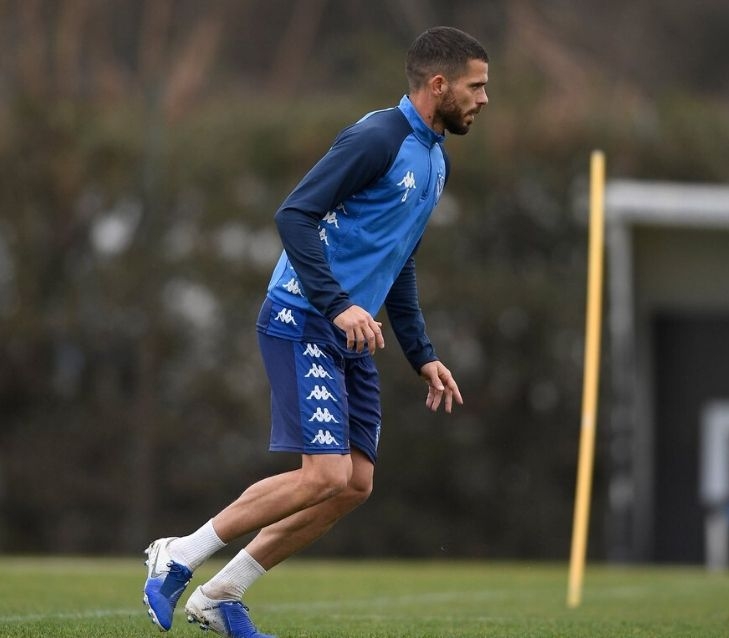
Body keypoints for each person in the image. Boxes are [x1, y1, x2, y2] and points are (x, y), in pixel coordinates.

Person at [142, 26, 489, 638]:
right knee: (324, 474)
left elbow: (399, 259)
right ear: (439, 85)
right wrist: (338, 305)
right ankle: (180, 554)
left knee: (353, 485)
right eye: (476, 86)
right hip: (301, 317)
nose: (484, 99)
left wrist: (423, 355)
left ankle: (221, 595)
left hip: (349, 335)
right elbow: (293, 214)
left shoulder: (438, 160)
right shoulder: (378, 137)